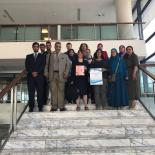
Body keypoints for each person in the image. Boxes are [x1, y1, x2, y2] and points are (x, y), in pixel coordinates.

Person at [44, 42, 71, 111]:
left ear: (61, 47)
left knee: (61, 91)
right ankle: (54, 107)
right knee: (53, 91)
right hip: (52, 75)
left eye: (59, 46)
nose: (58, 48)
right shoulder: (49, 55)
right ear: (54, 47)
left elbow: (68, 65)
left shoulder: (65, 56)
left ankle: (61, 106)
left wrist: (66, 73)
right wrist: (46, 73)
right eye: (57, 46)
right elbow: (46, 65)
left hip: (61, 75)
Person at [25, 42, 46, 112]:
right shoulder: (28, 56)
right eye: (34, 46)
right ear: (33, 47)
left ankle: (40, 107)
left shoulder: (42, 56)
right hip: (30, 77)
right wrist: (32, 72)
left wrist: (37, 72)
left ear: (38, 48)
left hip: (39, 77)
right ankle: (31, 107)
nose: (36, 48)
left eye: (37, 46)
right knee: (31, 93)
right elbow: (27, 67)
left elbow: (43, 66)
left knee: (40, 93)